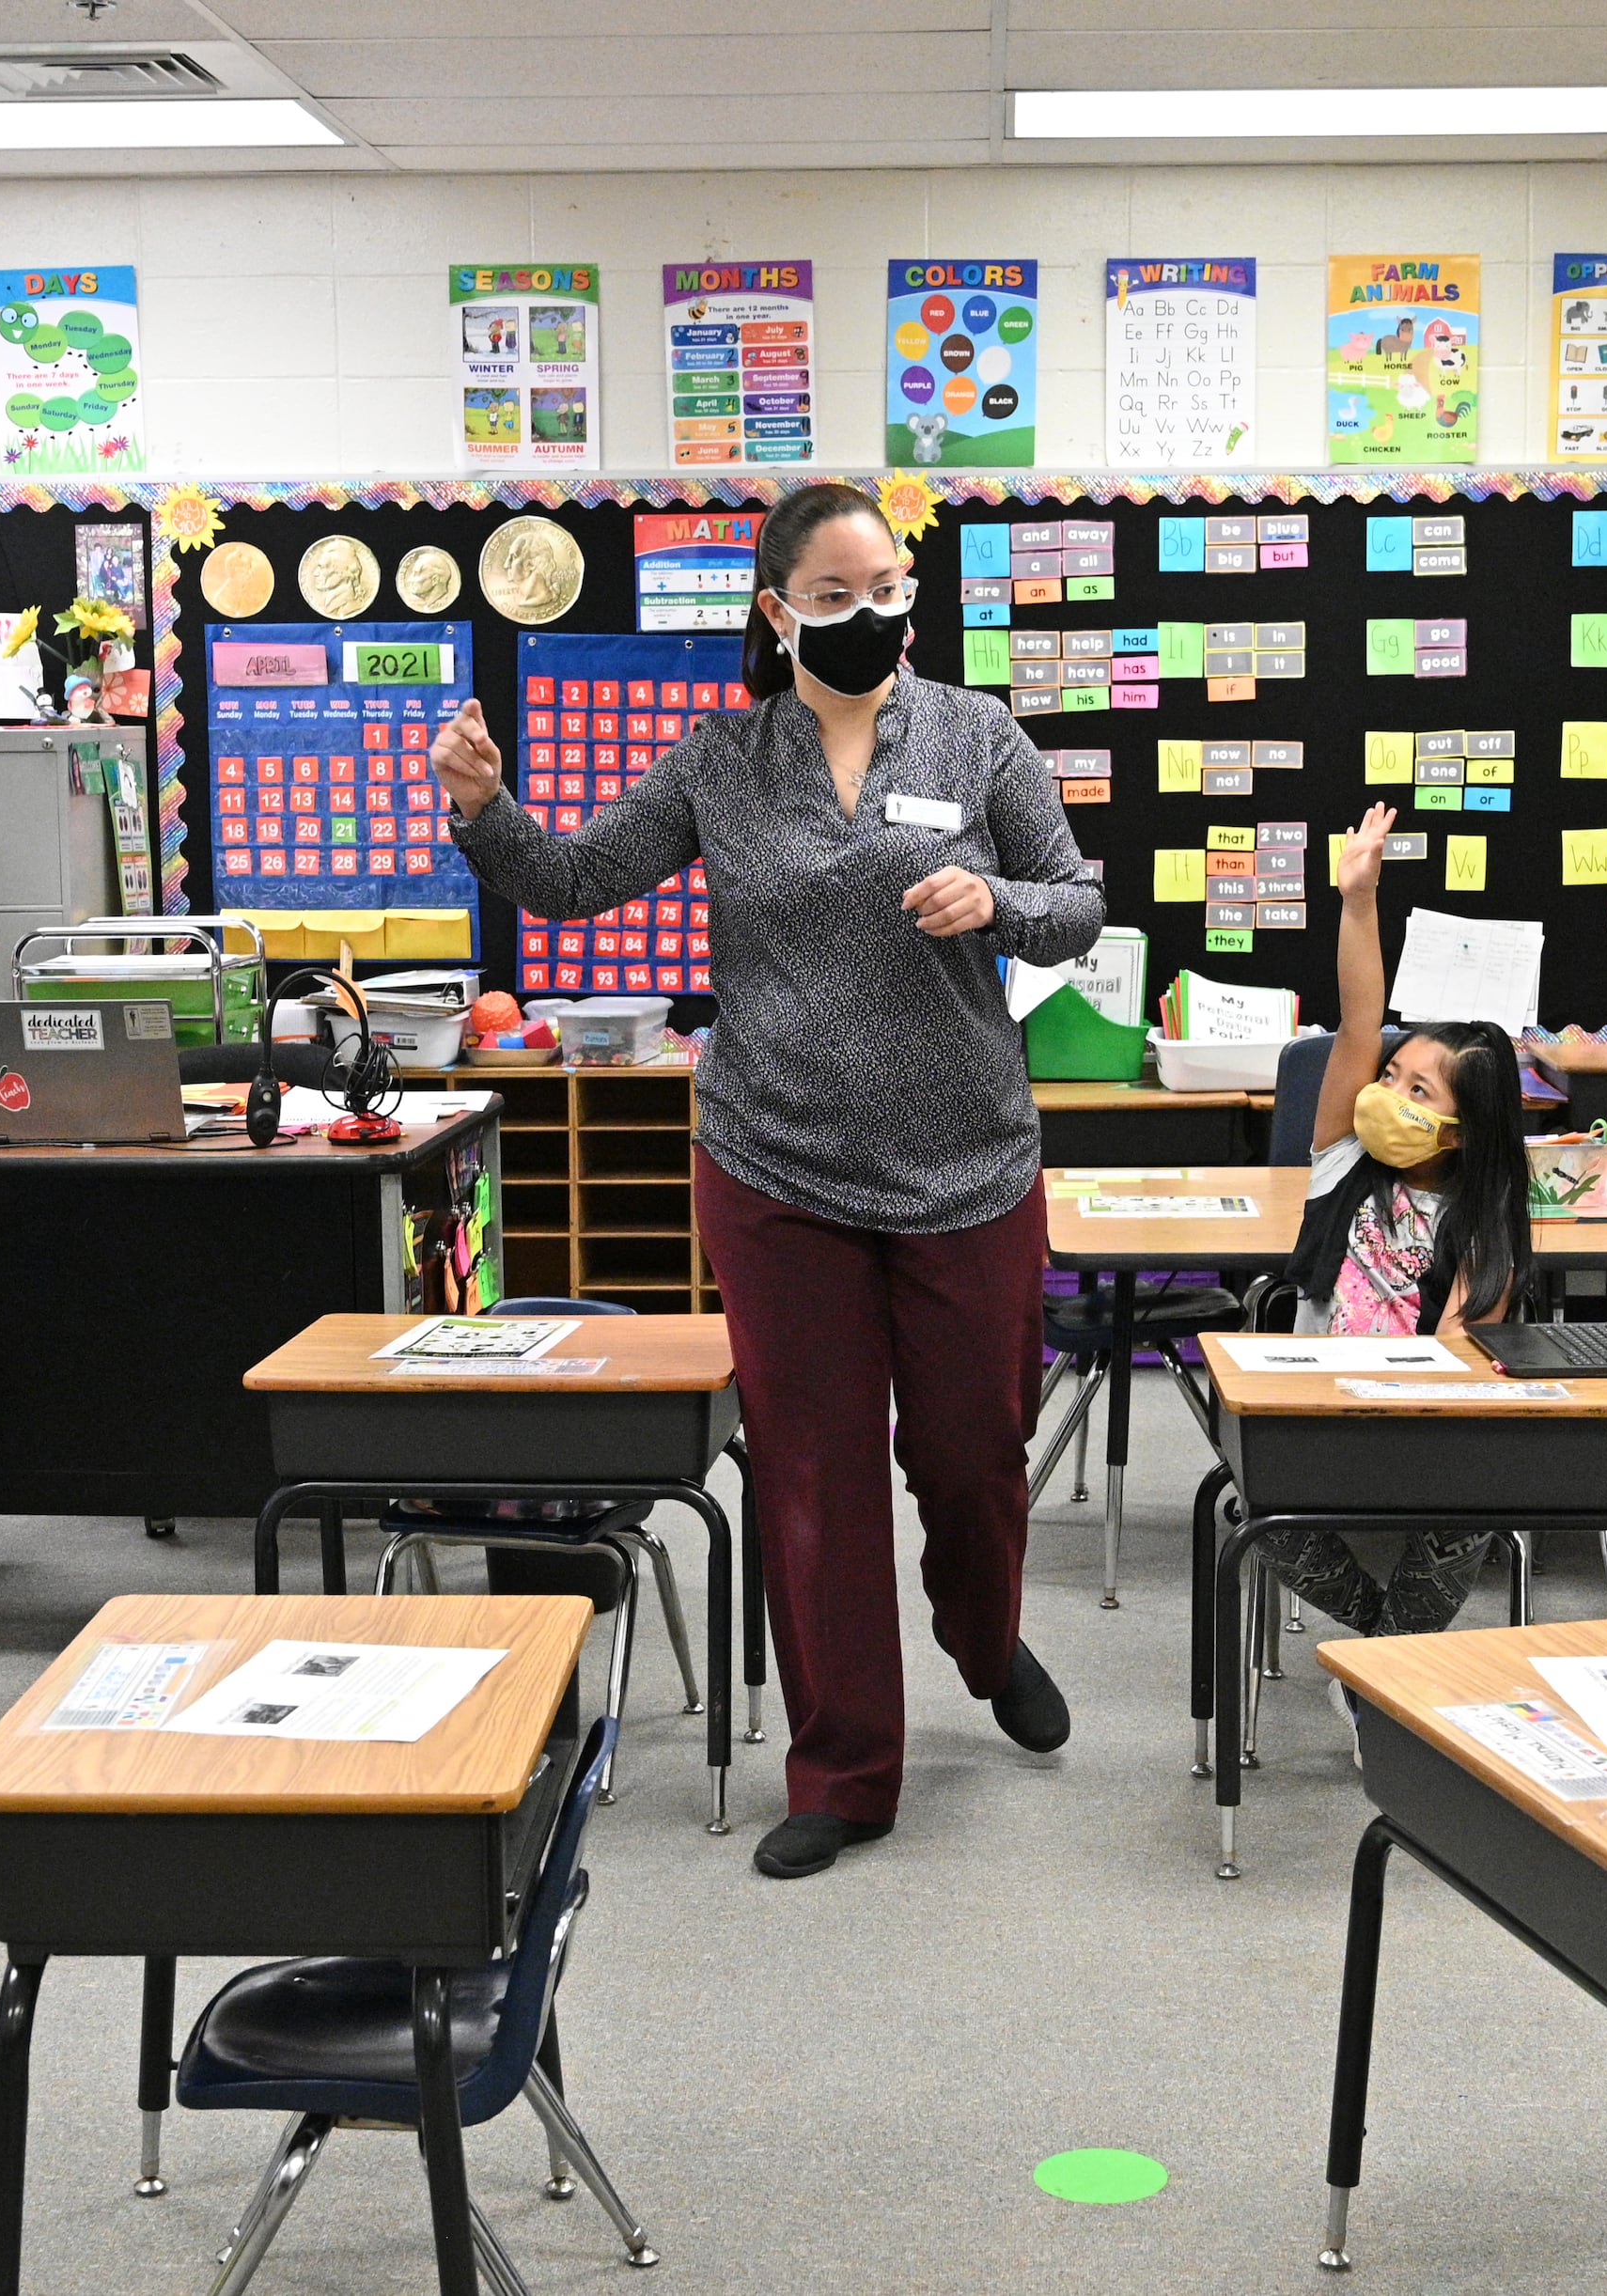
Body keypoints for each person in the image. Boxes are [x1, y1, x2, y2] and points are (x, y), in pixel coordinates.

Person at [431, 478, 1104, 1882]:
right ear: (777, 609)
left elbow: (1078, 900)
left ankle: (983, 1636)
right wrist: (487, 811)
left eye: (890, 590)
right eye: (840, 596)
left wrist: (1000, 902)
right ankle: (846, 1764)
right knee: (814, 1474)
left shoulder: (979, 734)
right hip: (776, 1162)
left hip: (966, 1161)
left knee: (974, 1459)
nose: (875, 617)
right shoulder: (721, 760)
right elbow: (571, 880)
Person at [1249, 799, 1535, 1641]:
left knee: (1468, 1519)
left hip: (1410, 1427)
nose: (1388, 1094)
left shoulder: (1485, 1226)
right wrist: (1359, 901)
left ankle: (1383, 1666)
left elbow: (1458, 1357)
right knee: (1262, 1524)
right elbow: (1359, 1018)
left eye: (1419, 1090)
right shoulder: (1342, 1158)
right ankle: (1390, 1659)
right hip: (1309, 1415)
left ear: (1466, 1128)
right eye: (1393, 1075)